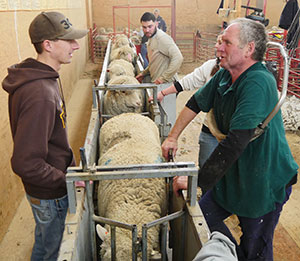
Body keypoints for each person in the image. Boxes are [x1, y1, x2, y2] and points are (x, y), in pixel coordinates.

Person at [162, 18, 298, 260]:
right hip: (235, 173)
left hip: (262, 180)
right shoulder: (224, 75)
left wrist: (199, 182)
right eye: (220, 41)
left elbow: (235, 141)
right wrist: (172, 137)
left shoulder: (258, 82)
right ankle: (225, 250)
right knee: (201, 218)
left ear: (249, 49)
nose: (219, 47)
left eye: (227, 42)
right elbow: (195, 102)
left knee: (255, 246)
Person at [2, 11, 88, 260]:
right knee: (55, 251)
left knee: (44, 242)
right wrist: (65, 179)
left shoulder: (43, 79)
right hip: (50, 194)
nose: (76, 45)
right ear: (48, 45)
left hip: (46, 189)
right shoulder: (40, 92)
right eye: (68, 40)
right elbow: (25, 162)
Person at [149, 35, 223, 177]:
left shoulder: (252, 80)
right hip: (211, 129)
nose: (216, 46)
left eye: (224, 42)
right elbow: (188, 85)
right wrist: (163, 93)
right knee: (207, 169)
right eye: (219, 41)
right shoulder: (212, 67)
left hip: (235, 135)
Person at [136, 12, 183, 126]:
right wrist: (144, 73)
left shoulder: (162, 38)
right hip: (159, 83)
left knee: (167, 118)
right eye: (144, 27)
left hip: (167, 84)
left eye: (150, 26)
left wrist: (163, 78)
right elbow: (154, 61)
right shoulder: (151, 38)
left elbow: (178, 58)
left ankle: (169, 140)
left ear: (156, 24)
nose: (147, 30)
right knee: (160, 115)